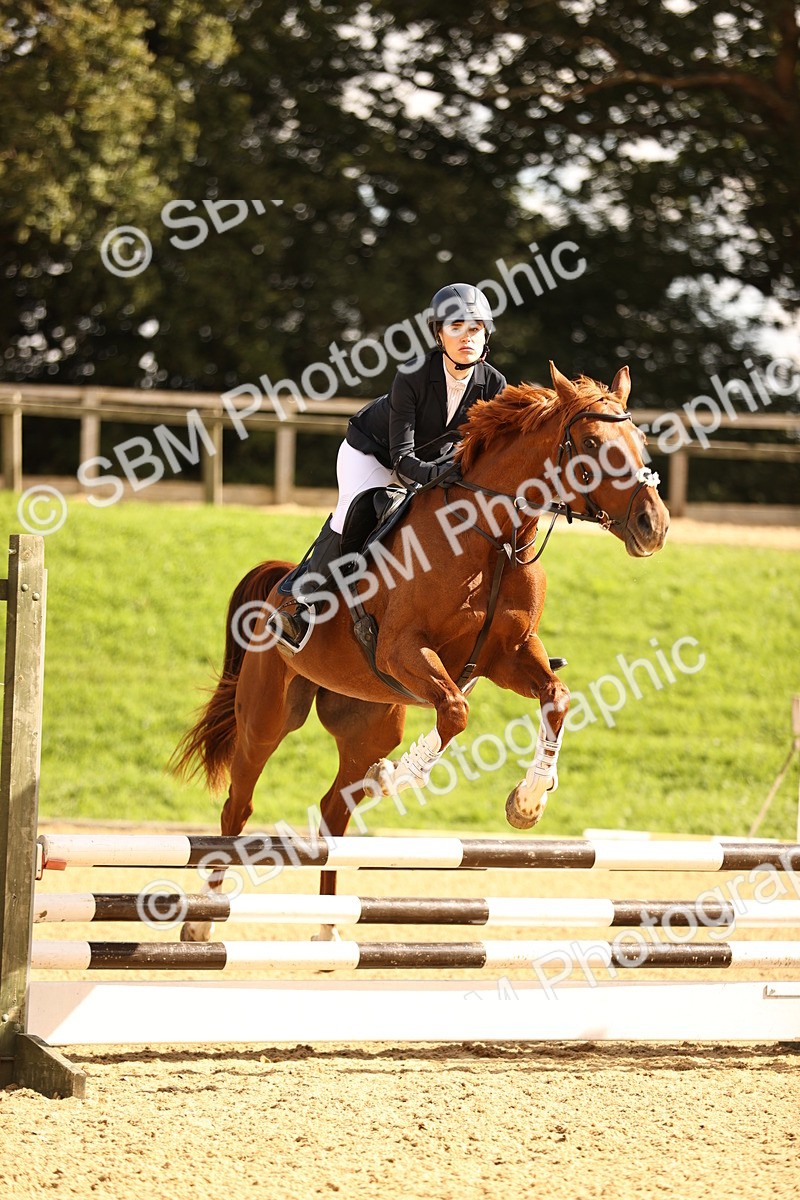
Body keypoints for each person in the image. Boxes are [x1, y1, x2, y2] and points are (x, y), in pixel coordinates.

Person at [271, 283, 507, 650]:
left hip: (432, 463)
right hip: (373, 452)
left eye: (475, 328)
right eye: (455, 327)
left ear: (486, 335)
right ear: (438, 333)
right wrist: (438, 475)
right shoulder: (413, 374)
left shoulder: (493, 384)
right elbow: (401, 458)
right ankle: (301, 606)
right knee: (352, 512)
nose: (466, 337)